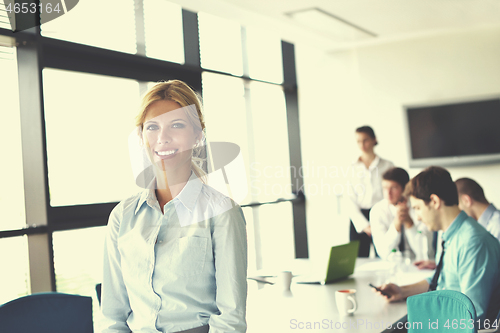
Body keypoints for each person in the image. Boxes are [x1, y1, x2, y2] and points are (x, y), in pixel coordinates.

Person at [100, 80, 248, 333]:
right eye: (152, 127)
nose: (162, 138)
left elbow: (230, 318)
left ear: (198, 135)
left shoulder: (222, 213)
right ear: (141, 136)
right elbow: (112, 318)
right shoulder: (122, 216)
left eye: (176, 125)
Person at [375, 166, 500, 324]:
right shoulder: (451, 234)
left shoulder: (473, 242)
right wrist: (401, 291)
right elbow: (442, 280)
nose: (418, 218)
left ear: (434, 201)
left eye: (418, 208)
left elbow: (472, 315)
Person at [347, 126, 394, 257]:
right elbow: (349, 200)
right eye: (358, 141)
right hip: (359, 217)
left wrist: (378, 223)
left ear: (374, 140)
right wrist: (365, 226)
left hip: (382, 214)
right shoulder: (351, 168)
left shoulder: (388, 166)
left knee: (385, 255)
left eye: (365, 140)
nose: (362, 145)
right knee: (358, 261)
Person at [370, 167, 434, 261]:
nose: (388, 193)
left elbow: (425, 253)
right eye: (385, 188)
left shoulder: (420, 207)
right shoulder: (377, 211)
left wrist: (409, 223)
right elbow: (383, 252)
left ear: (405, 188)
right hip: (392, 265)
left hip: (418, 264)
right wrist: (396, 224)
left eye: (394, 188)